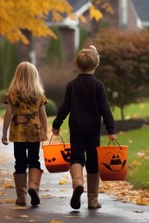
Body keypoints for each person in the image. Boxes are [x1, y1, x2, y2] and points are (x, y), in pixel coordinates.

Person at [52, 45, 116, 210]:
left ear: (77, 65)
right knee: (93, 163)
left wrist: (57, 124)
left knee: (77, 158)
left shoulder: (72, 85)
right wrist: (111, 130)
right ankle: (93, 200)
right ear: (96, 66)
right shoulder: (98, 85)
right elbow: (105, 109)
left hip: (77, 129)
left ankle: (78, 183)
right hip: (93, 130)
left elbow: (64, 107)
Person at [2, 61, 48, 206]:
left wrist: (4, 132)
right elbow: (43, 114)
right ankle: (33, 187)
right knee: (34, 160)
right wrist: (45, 132)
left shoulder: (12, 93)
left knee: (20, 161)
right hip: (34, 131)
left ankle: (21, 196)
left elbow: (8, 113)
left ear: (17, 76)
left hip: (19, 132)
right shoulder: (38, 93)